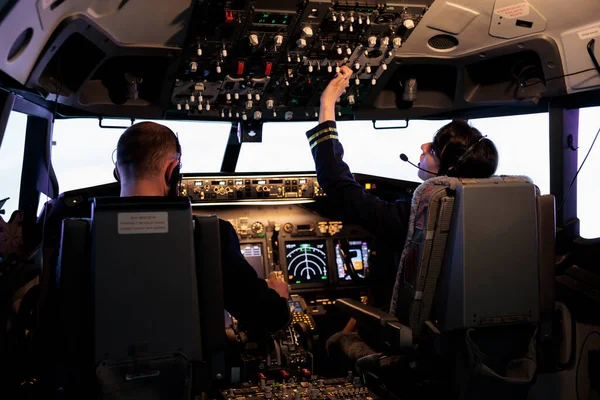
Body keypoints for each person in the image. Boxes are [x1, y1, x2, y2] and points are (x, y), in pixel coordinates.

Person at [306, 65, 499, 314]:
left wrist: (327, 103)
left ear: (447, 170)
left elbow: (337, 183)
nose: (424, 145)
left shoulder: (419, 219)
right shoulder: (489, 216)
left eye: (434, 147)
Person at [115, 121, 291, 333]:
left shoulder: (81, 234)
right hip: (191, 365)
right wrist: (279, 294)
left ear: (117, 171)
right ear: (172, 170)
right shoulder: (209, 235)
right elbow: (269, 317)